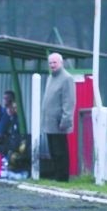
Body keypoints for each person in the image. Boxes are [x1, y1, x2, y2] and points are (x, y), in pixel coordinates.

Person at [42, 53, 76, 182]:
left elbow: (69, 101)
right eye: (50, 63)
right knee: (52, 150)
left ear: (61, 63)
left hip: (59, 122)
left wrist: (66, 120)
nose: (52, 65)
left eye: (54, 63)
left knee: (60, 150)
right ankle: (56, 173)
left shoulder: (67, 78)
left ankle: (62, 176)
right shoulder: (50, 77)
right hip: (48, 121)